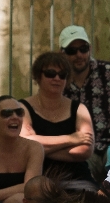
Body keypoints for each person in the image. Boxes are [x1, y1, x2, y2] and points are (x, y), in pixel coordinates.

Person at [59, 25, 110, 181]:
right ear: (62, 53)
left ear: (89, 48)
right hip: (80, 150)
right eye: (71, 51)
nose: (79, 55)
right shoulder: (58, 79)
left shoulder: (109, 71)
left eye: (83, 48)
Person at [20, 52, 97, 192]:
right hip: (40, 180)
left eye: (62, 75)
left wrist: (38, 149)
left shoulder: (79, 108)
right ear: (38, 76)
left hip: (78, 179)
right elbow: (24, 144)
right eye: (50, 73)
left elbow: (85, 150)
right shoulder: (23, 107)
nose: (57, 78)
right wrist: (71, 139)